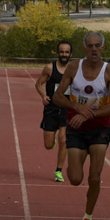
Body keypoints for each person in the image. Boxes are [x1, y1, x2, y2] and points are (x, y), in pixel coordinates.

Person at [52, 32, 110, 220]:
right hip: (76, 128)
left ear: (103, 48)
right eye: (90, 45)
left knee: (95, 177)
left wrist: (89, 115)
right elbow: (57, 96)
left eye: (97, 45)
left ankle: (87, 218)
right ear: (84, 48)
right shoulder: (74, 67)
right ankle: (73, 166)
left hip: (99, 129)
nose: (94, 49)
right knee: (75, 179)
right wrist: (76, 107)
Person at [34, 40, 73, 182]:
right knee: (48, 145)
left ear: (70, 54)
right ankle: (53, 140)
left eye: (67, 52)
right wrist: (43, 95)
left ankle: (58, 171)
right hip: (51, 110)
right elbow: (38, 83)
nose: (64, 54)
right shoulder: (50, 68)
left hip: (66, 110)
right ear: (58, 53)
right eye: (62, 52)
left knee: (64, 141)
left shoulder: (74, 70)